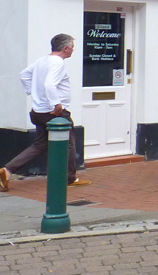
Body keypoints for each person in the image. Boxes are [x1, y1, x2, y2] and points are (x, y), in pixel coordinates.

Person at [1, 33, 91, 191]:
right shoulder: (58, 63)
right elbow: (50, 84)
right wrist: (56, 104)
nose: (72, 51)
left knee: (40, 145)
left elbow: (24, 75)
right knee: (69, 143)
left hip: (38, 111)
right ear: (65, 48)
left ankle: (7, 171)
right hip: (53, 113)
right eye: (72, 48)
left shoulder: (42, 60)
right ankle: (69, 178)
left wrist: (32, 92)